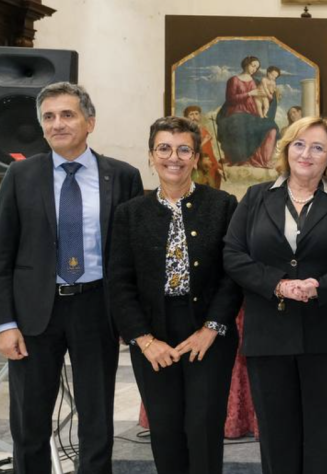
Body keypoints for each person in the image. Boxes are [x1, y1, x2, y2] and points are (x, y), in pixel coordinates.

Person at [0, 82, 143, 474]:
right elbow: (3, 253)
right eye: (48, 117)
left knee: (97, 419)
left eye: (67, 114)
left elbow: (132, 256)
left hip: (96, 308)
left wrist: (132, 318)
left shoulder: (123, 176)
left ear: (89, 122)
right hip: (34, 314)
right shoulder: (20, 175)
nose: (57, 124)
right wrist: (5, 323)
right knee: (29, 422)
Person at [223, 116, 327, 473]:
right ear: (287, 148)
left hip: (326, 334)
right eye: (299, 144)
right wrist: (277, 284)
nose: (306, 154)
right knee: (277, 438)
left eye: (318, 147)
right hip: (268, 334)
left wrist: (319, 285)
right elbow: (232, 254)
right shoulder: (257, 196)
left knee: (324, 436)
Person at [108, 116, 242, 474]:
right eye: (164, 148)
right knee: (165, 430)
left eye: (184, 150)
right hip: (153, 333)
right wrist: (144, 340)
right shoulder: (130, 214)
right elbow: (119, 283)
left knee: (203, 427)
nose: (174, 158)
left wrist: (211, 329)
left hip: (208, 332)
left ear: (196, 158)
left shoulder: (223, 205)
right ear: (151, 155)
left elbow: (233, 276)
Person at [216, 55, 279, 168]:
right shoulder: (234, 80)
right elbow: (230, 99)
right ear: (246, 64)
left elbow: (264, 95)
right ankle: (243, 159)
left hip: (254, 113)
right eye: (253, 66)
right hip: (237, 112)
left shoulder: (256, 81)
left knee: (272, 127)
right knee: (241, 125)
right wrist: (249, 93)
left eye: (257, 68)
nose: (254, 69)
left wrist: (271, 94)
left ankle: (263, 160)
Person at [183, 105, 222, 189]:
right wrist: (204, 141)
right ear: (186, 117)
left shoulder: (203, 129)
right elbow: (189, 149)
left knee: (216, 178)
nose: (194, 117)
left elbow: (210, 150)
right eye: (191, 114)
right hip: (196, 164)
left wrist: (215, 163)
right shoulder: (186, 132)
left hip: (207, 162)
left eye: (196, 114)